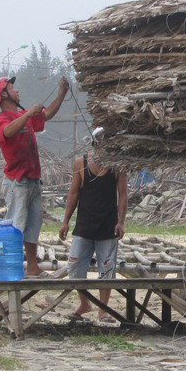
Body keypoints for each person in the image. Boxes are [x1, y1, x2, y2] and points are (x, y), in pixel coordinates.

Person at [0, 75, 70, 277]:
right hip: (18, 181)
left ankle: (32, 266)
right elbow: (7, 132)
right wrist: (27, 115)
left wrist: (62, 93)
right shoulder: (4, 119)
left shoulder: (23, 115)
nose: (17, 91)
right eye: (13, 88)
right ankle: (10, 266)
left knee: (33, 224)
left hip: (33, 179)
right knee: (16, 225)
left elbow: (47, 114)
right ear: (4, 94)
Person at [58, 130, 128, 322]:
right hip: (84, 225)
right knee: (74, 265)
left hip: (108, 225)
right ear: (95, 145)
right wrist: (65, 221)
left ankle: (102, 309)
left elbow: (122, 195)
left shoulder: (117, 167)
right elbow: (73, 194)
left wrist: (121, 222)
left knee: (107, 268)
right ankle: (84, 302)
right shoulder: (81, 163)